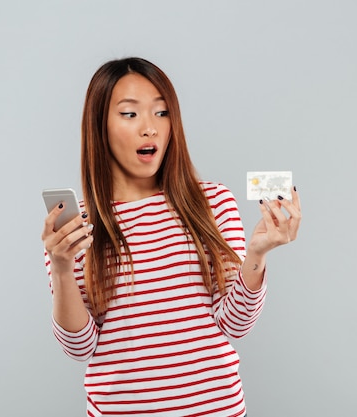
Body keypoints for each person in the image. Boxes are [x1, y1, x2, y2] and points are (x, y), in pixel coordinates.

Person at [41, 57, 301, 417]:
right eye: (130, 114)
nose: (150, 128)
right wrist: (61, 268)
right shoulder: (77, 225)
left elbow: (234, 323)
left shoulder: (212, 201)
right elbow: (79, 347)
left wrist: (257, 255)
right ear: (99, 126)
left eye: (161, 113)